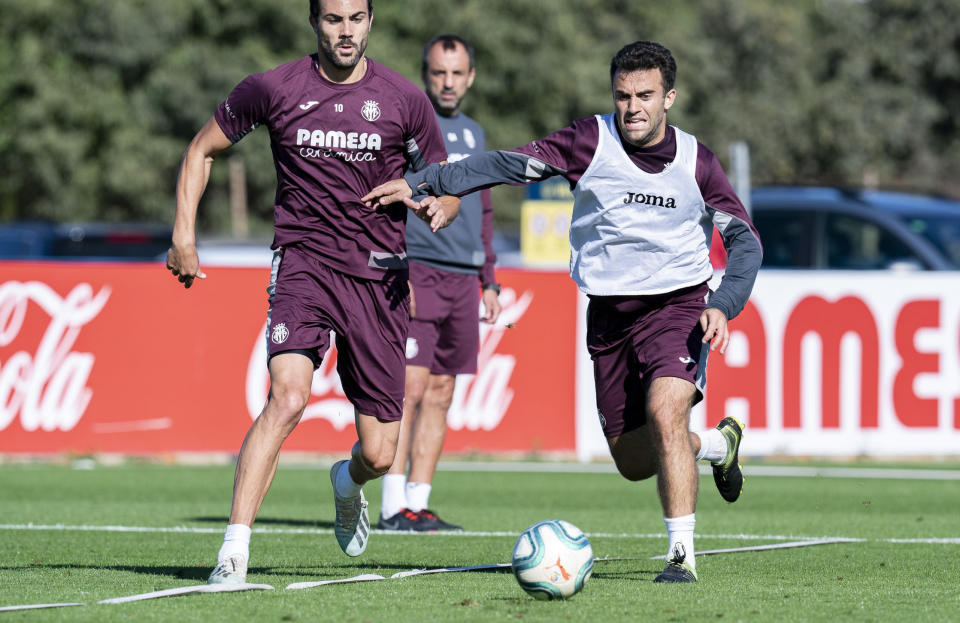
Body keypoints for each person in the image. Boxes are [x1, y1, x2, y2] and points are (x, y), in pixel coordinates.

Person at [363, 40, 763, 583]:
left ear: (669, 97)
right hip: (609, 317)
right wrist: (424, 180)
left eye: (645, 95)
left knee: (668, 411)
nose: (633, 107)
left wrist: (723, 304)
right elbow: (505, 164)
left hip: (679, 305)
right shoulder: (589, 140)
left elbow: (745, 241)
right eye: (622, 95)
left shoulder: (698, 162)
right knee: (634, 461)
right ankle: (718, 444)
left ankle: (680, 557)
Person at [165, 0, 459, 585]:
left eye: (355, 18)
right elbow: (201, 150)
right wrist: (183, 234)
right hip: (304, 266)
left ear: (371, 22)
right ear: (314, 23)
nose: (344, 30)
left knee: (379, 453)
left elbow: (446, 186)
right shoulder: (274, 88)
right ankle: (233, 552)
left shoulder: (405, 99)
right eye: (332, 19)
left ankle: (346, 482)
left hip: (380, 279)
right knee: (288, 398)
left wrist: (433, 205)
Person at [377, 35, 500, 533]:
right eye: (438, 73)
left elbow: (484, 209)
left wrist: (489, 280)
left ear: (469, 77)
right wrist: (397, 265)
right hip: (419, 270)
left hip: (463, 278)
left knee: (443, 390)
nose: (447, 82)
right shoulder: (409, 126)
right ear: (426, 75)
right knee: (408, 387)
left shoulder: (474, 132)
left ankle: (418, 502)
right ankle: (389, 505)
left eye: (456, 73)